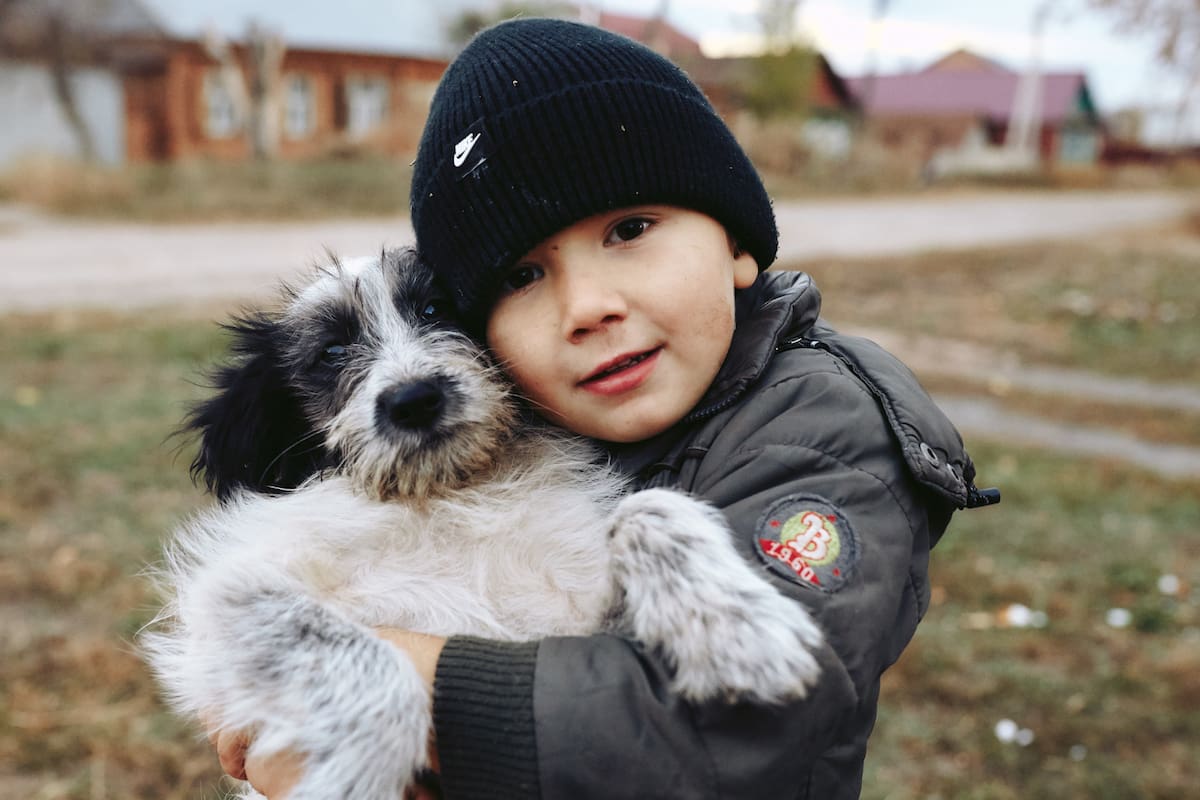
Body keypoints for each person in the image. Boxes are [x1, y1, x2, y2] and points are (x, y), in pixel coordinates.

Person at [221, 17, 998, 799]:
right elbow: (236, 638)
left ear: (736, 242)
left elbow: (742, 723)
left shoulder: (822, 431)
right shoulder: (553, 415)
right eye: (523, 276)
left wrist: (410, 693)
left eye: (630, 229)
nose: (587, 306)